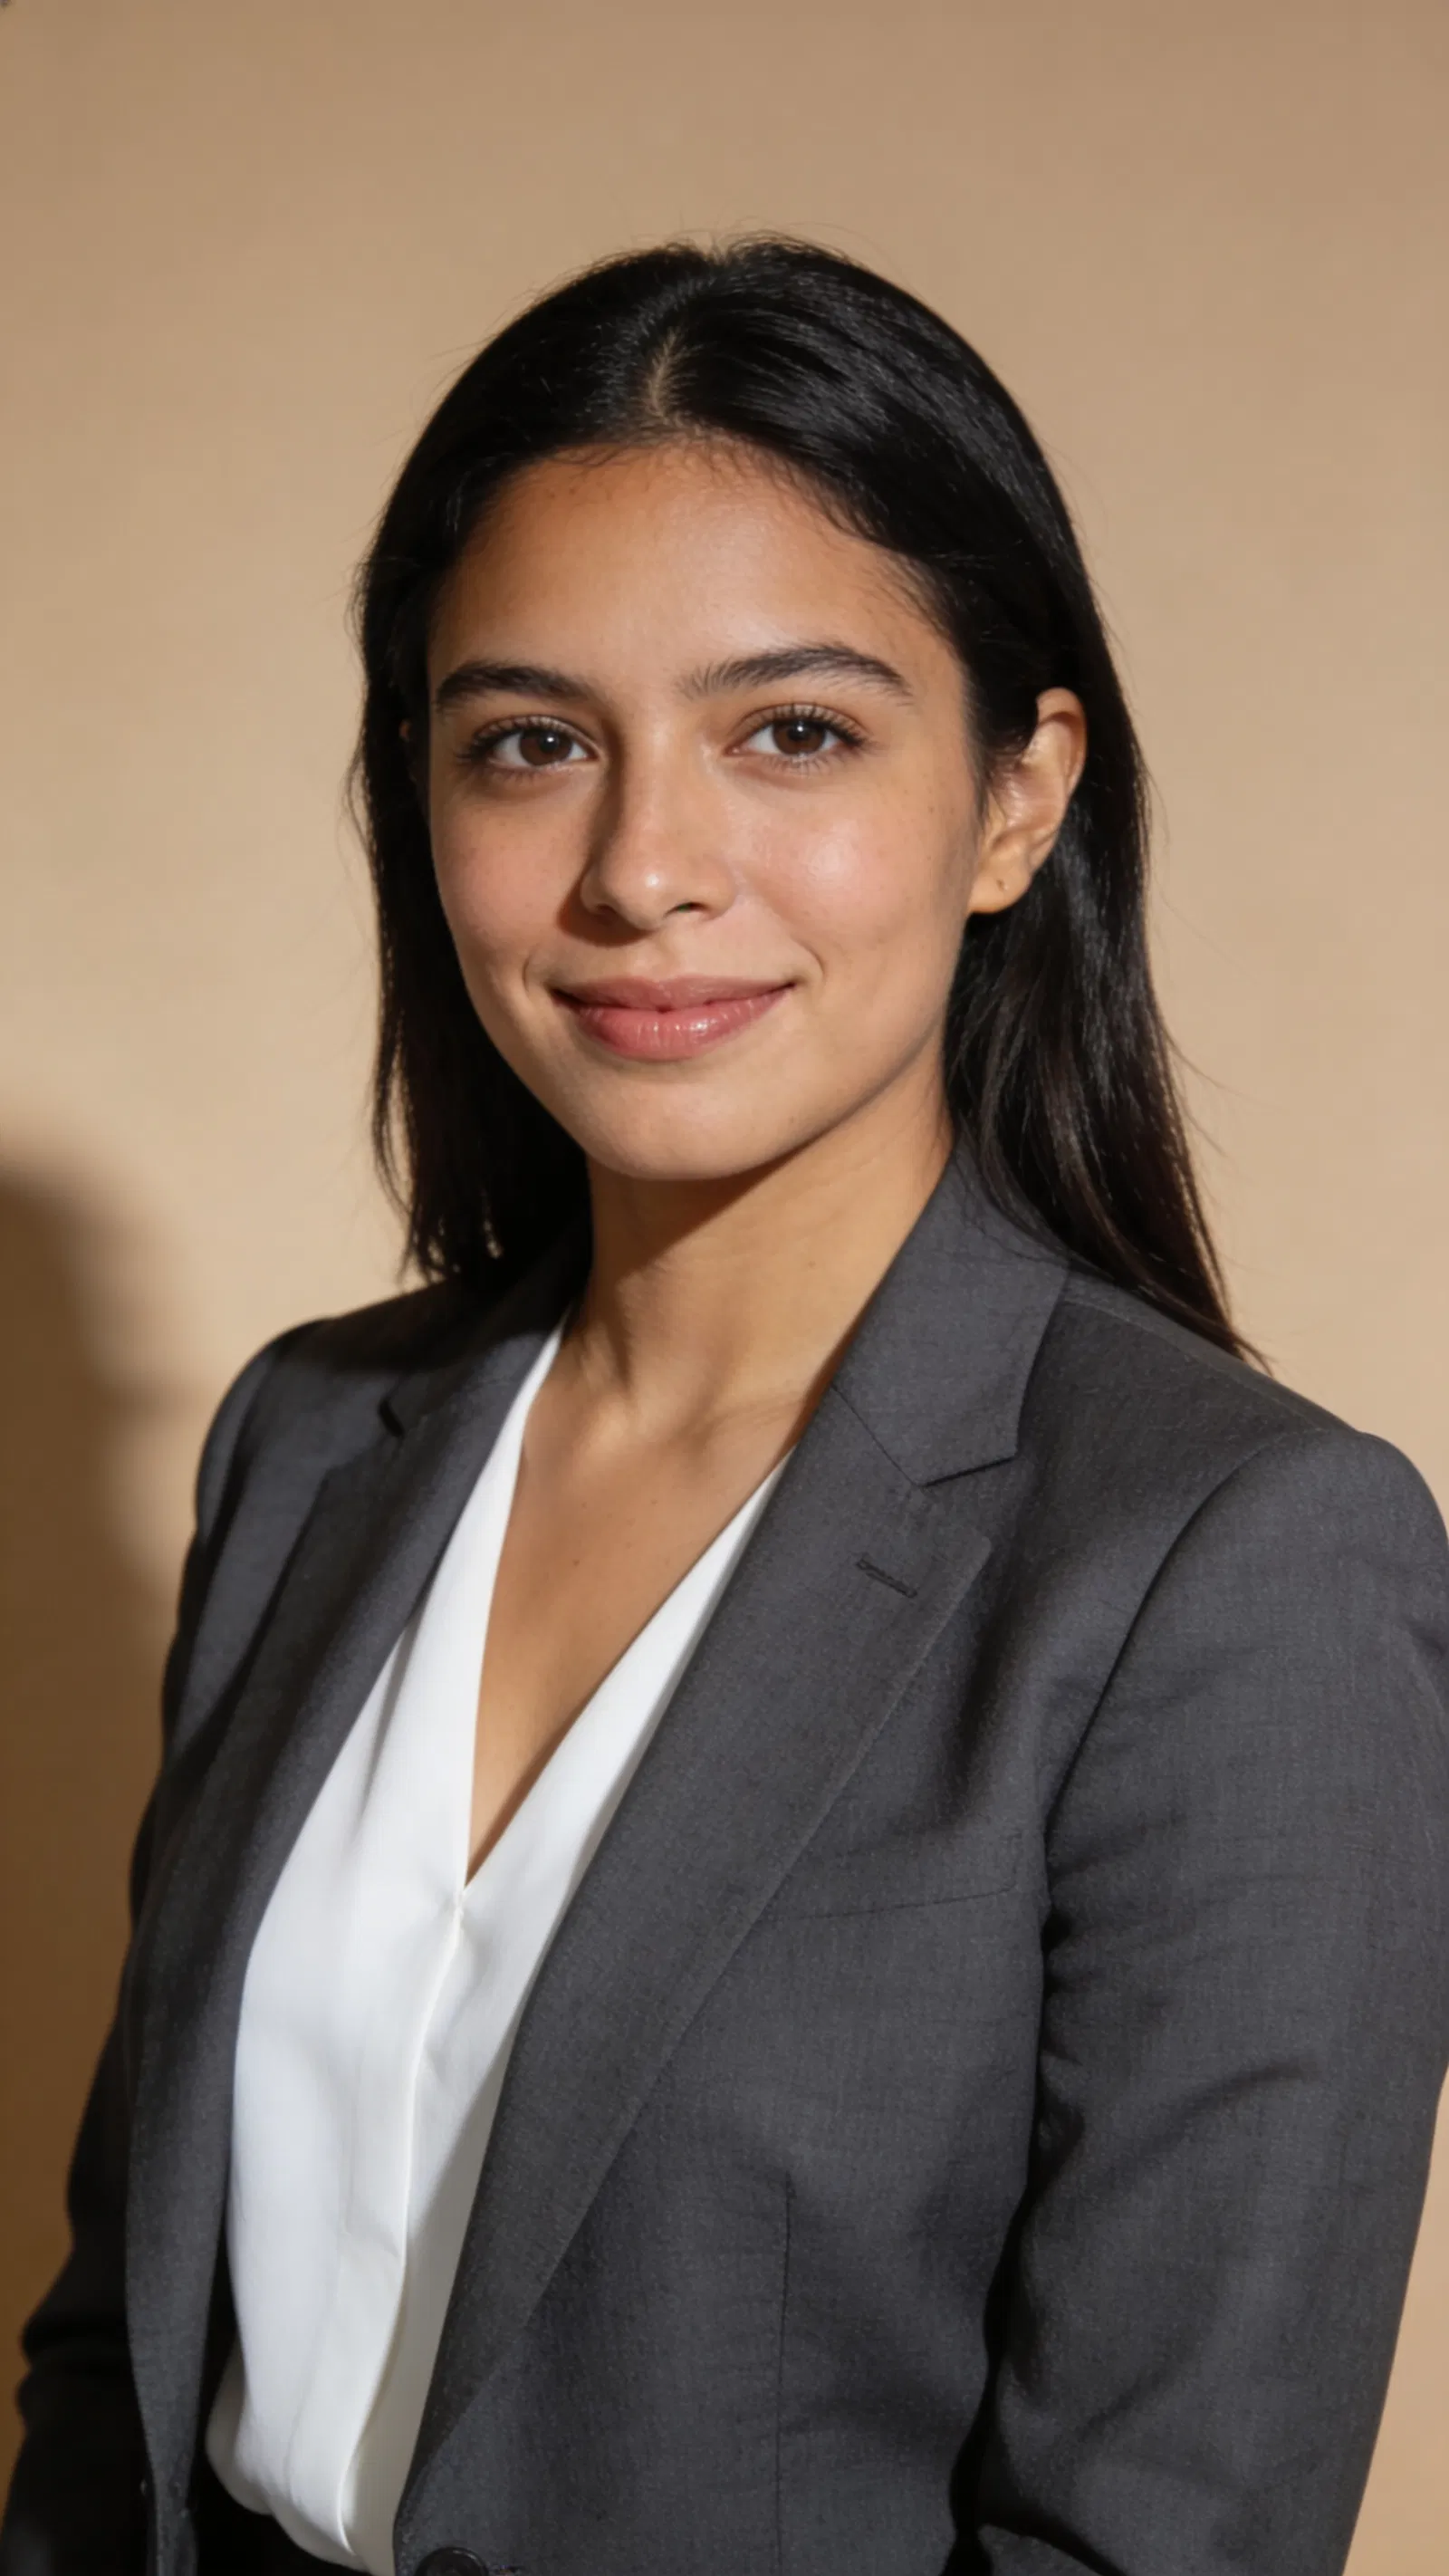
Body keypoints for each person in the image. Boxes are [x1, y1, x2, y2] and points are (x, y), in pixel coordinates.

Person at [5, 237, 1447, 2576]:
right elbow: (122, 2351)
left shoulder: (1237, 1567)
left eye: (794, 730)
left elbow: (1152, 2535)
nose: (643, 869)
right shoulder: (310, 1446)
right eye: (531, 741)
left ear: (1015, 796)